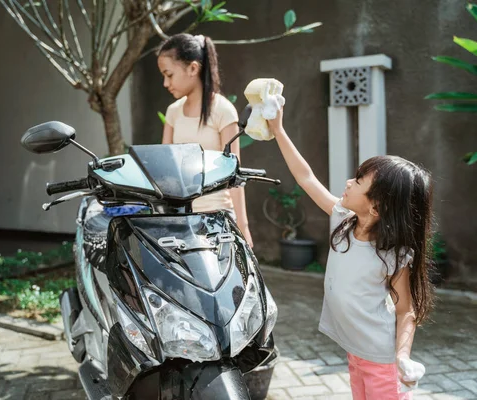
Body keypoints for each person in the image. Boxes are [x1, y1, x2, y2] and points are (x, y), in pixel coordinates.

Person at [267, 108, 434, 399]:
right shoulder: (343, 221)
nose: (348, 182)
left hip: (381, 360)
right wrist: (278, 129)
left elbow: (406, 309)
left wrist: (403, 357)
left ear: (377, 208)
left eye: (358, 181)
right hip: (356, 353)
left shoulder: (391, 254)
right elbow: (306, 178)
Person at [157, 33, 252, 247]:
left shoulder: (223, 110)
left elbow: (234, 174)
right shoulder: (173, 113)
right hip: (180, 218)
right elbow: (163, 168)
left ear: (193, 68)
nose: (165, 83)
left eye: (169, 75)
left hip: (216, 218)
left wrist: (244, 227)